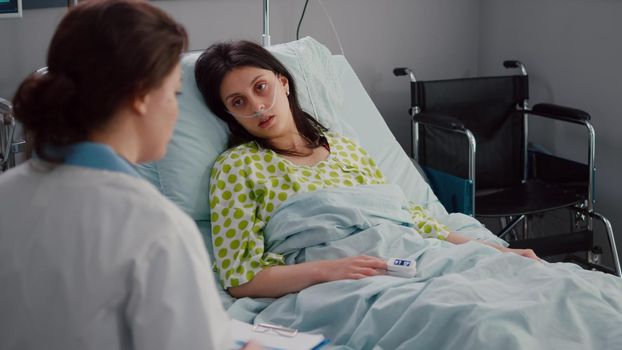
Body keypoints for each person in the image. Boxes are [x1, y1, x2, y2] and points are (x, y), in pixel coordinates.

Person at [194, 40, 538, 299]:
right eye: (238, 102)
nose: (257, 106)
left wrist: (495, 251)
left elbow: (414, 219)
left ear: (283, 83)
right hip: (344, 284)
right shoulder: (236, 167)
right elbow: (239, 278)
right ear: (229, 115)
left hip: (413, 256)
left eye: (260, 87)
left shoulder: (344, 146)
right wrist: (329, 271)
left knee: (523, 287)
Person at [0, 1, 248, 349]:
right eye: (174, 94)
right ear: (142, 96)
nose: (176, 112)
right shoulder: (156, 229)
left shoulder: (5, 196)